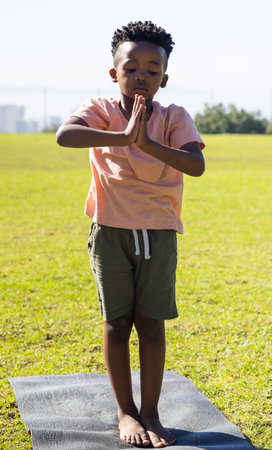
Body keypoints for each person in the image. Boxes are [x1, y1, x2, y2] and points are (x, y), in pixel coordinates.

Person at [56, 20, 205, 448]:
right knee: (117, 322)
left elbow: (195, 165)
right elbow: (66, 135)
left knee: (152, 325)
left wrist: (144, 142)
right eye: (132, 67)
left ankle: (152, 413)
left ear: (164, 77)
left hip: (158, 233)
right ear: (114, 72)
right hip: (110, 234)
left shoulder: (174, 116)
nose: (141, 75)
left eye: (152, 69)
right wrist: (121, 135)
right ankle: (126, 412)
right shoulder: (100, 109)